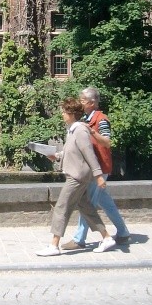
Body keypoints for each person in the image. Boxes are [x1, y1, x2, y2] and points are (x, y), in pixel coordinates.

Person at [36, 97, 116, 256]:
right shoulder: (72, 129)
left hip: (78, 176)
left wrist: (99, 175)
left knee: (61, 207)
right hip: (77, 174)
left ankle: (54, 245)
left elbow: (89, 154)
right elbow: (71, 152)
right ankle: (106, 238)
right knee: (86, 208)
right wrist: (56, 156)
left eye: (64, 112)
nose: (62, 115)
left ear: (72, 113)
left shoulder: (80, 130)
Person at [61, 87, 131, 250]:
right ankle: (123, 232)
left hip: (98, 168)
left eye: (83, 100)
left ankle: (79, 239)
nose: (80, 102)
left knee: (87, 203)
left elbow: (107, 142)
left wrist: (92, 132)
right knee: (105, 202)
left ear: (92, 103)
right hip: (91, 168)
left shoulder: (101, 120)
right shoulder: (84, 118)